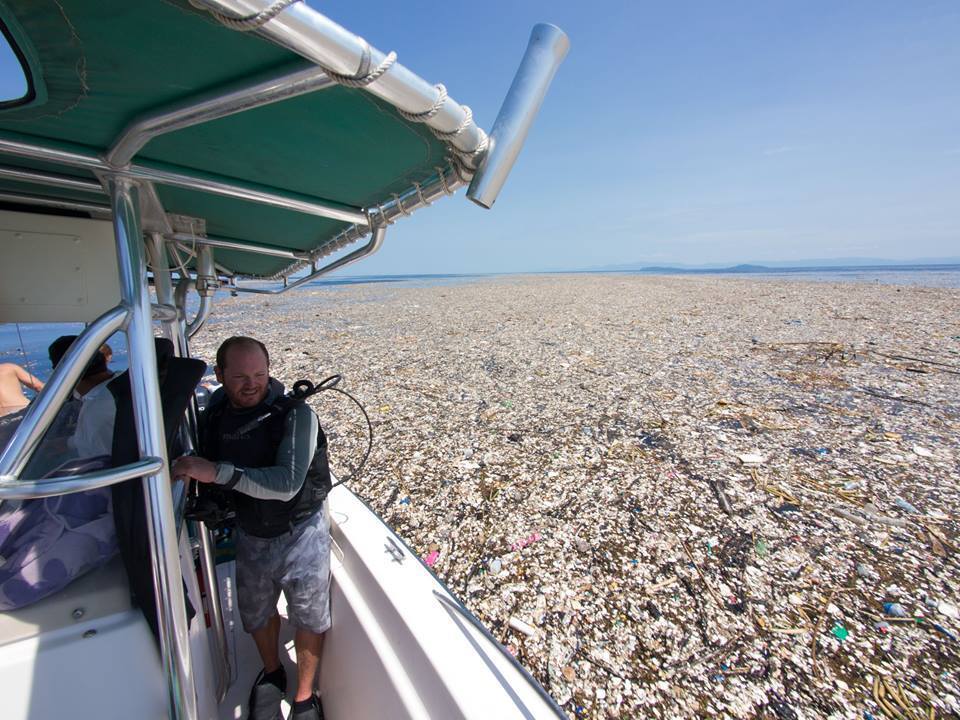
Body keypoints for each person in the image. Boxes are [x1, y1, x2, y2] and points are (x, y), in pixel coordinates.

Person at [172, 337, 332, 720]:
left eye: (260, 374)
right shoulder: (215, 413)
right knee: (256, 612)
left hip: (300, 531)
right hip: (250, 530)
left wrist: (216, 473)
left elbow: (287, 483)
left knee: (309, 614)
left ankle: (305, 697)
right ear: (219, 374)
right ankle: (272, 671)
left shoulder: (295, 415)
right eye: (240, 376)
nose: (251, 384)